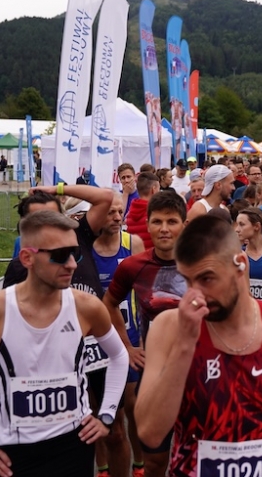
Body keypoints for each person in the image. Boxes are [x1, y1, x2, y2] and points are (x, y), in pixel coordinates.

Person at [0, 211, 130, 477]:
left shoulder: (87, 306)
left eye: (75, 253)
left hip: (74, 444)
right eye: (60, 255)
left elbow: (119, 356)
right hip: (13, 453)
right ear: (27, 258)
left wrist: (106, 414)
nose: (72, 264)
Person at [135, 216, 262, 476]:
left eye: (207, 279)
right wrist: (185, 345)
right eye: (188, 281)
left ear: (240, 264)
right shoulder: (169, 328)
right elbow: (150, 433)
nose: (196, 294)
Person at [104, 190, 189, 477]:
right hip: (155, 375)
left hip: (200, 374)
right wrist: (126, 348)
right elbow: (109, 304)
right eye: (157, 221)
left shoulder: (203, 264)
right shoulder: (133, 266)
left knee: (199, 454)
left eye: (171, 221)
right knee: (154, 461)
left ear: (184, 225)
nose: (164, 229)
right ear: (148, 224)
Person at [92, 193, 145, 477]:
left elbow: (144, 292)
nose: (116, 217)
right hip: (96, 343)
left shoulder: (132, 243)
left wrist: (143, 338)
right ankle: (103, 467)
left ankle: (139, 463)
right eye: (110, 212)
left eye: (119, 212)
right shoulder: (85, 247)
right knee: (102, 412)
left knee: (133, 407)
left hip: (130, 337)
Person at [125, 172, 160, 251]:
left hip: (136, 255)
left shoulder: (129, 214)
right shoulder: (156, 213)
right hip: (152, 256)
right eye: (159, 188)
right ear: (154, 189)